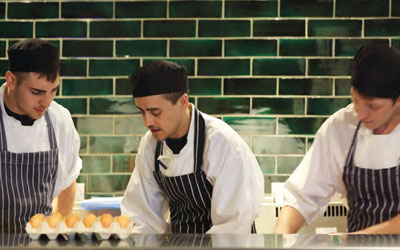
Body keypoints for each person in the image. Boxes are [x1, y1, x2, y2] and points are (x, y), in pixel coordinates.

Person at [121, 60, 264, 234]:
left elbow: (232, 227)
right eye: (142, 112)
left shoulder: (222, 144)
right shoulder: (150, 145)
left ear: (182, 102)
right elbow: (143, 218)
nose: (147, 122)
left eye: (155, 112)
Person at [274, 44, 400, 234]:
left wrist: (358, 239)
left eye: (373, 107)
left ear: (398, 101)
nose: (361, 114)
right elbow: (302, 196)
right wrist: (279, 239)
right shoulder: (340, 127)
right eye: (356, 100)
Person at [0, 38, 82, 233]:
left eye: (53, 91)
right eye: (36, 92)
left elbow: (68, 182)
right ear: (11, 80)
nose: (45, 102)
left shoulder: (59, 119)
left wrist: (55, 230)